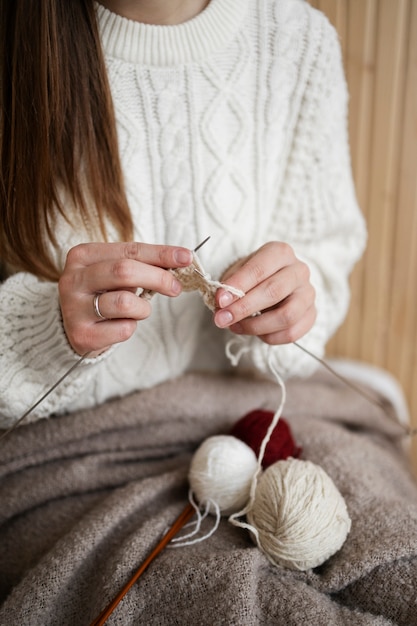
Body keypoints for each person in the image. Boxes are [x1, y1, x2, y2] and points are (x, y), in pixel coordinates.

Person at [0, 0, 366, 429]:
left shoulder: (298, 42)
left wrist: (289, 304)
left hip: (247, 411)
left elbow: (325, 256)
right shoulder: (15, 50)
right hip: (63, 434)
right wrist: (46, 334)